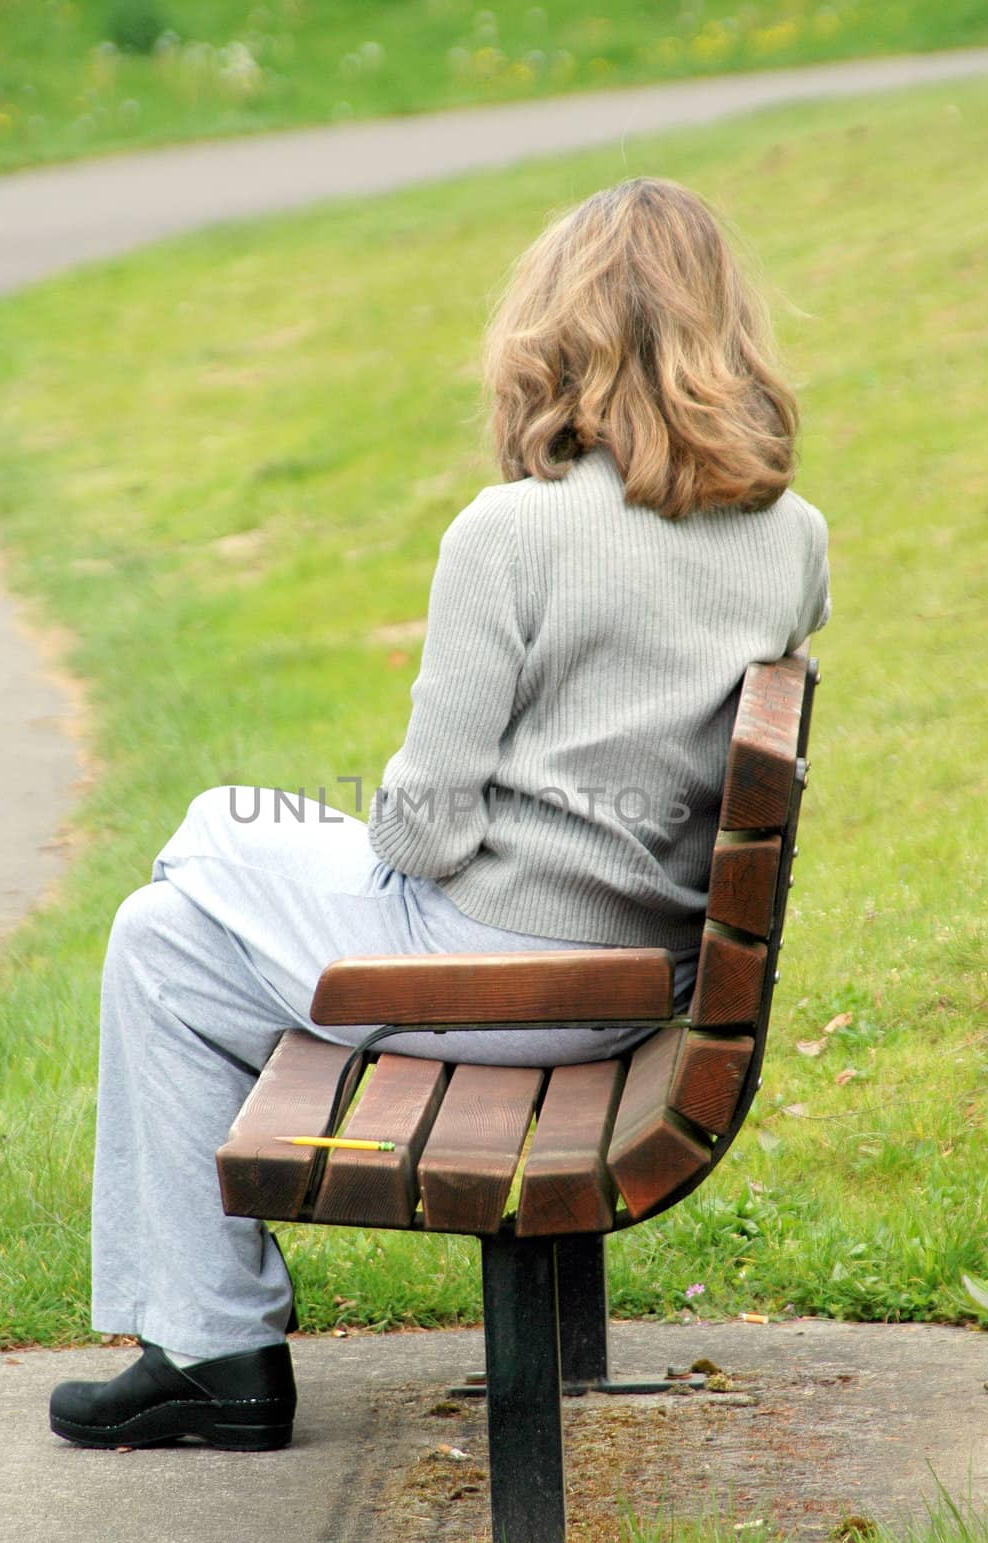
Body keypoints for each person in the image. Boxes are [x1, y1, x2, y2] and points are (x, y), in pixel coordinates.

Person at [49, 176, 830, 1451]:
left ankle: (215, 1347)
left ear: (551, 335)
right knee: (162, 935)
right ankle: (208, 1349)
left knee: (202, 839)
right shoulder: (791, 537)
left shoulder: (509, 533)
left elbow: (417, 835)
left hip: (500, 977)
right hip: (639, 985)